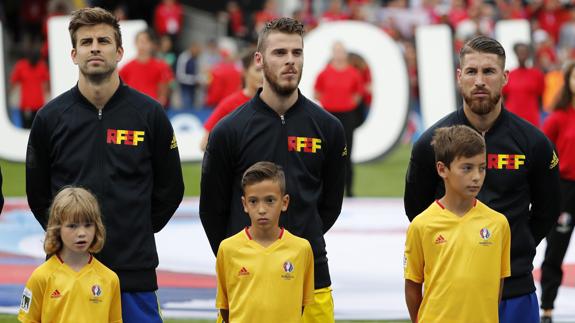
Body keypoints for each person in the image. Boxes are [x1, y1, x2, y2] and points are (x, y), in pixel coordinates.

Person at [25, 7, 184, 323]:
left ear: (120, 51)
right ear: (73, 54)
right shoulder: (50, 118)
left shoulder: (150, 114)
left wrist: (134, 228)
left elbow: (171, 190)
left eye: (103, 41)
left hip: (133, 273)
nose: (94, 47)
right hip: (69, 273)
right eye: (86, 42)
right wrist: (71, 239)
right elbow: (38, 195)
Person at [404, 35, 561, 323]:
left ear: (504, 77)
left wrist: (516, 243)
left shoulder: (534, 143)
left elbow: (548, 209)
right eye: (472, 72)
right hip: (453, 291)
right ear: (459, 76)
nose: (479, 80)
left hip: (515, 288)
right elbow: (417, 211)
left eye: (488, 71)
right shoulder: (430, 143)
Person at [200, 17, 347, 323]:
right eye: (280, 53)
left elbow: (330, 205)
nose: (290, 61)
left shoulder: (329, 128)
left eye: (297, 53)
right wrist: (244, 257)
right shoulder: (229, 130)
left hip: (312, 275)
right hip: (247, 279)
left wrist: (299, 242)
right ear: (259, 59)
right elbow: (212, 210)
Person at [404, 125, 511, 323]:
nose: (477, 177)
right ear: (442, 169)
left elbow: (498, 284)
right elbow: (412, 285)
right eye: (467, 168)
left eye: (482, 168)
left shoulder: (498, 224)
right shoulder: (421, 225)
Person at [216, 161, 314, 322]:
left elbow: (301, 306)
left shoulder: (301, 249)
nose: (261, 209)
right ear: (244, 204)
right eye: (254, 201)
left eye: (269, 200)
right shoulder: (228, 248)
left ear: (284, 202)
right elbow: (225, 308)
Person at [18, 187, 122, 323]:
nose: (81, 233)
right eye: (72, 226)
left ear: (97, 226)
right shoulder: (41, 277)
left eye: (88, 225)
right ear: (57, 227)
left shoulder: (110, 279)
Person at [539, 61, 575, 323]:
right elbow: (543, 154)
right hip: (565, 190)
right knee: (555, 250)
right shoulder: (557, 118)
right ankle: (547, 308)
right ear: (568, 81)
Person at [314, 41, 362, 197]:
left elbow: (358, 94)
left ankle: (349, 190)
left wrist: (348, 103)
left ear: (345, 54)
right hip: (328, 115)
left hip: (347, 116)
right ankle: (327, 190)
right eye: (336, 51)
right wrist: (328, 103)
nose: (338, 54)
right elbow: (317, 92)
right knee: (326, 153)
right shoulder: (324, 73)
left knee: (347, 154)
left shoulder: (353, 73)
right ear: (332, 53)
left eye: (341, 51)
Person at [200, 49, 263, 151]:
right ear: (245, 72)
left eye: (266, 70)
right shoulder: (230, 104)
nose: (263, 75)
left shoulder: (276, 103)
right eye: (258, 70)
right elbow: (204, 144)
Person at [119, 28, 174, 108]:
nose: (142, 45)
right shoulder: (126, 67)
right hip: (132, 109)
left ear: (151, 44)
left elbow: (165, 87)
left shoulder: (161, 66)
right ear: (135, 43)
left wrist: (160, 104)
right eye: (140, 41)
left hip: (152, 109)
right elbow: (120, 89)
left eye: (146, 42)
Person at [502, 42, 545, 127]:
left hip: (531, 119)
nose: (522, 55)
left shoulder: (537, 74)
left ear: (528, 54)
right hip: (512, 118)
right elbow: (505, 98)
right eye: (520, 52)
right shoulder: (509, 75)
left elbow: (540, 98)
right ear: (516, 54)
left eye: (524, 52)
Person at [9, 42, 50, 129]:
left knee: (29, 129)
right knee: (33, 129)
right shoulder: (24, 66)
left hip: (34, 106)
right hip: (29, 106)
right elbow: (46, 86)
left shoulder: (23, 66)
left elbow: (13, 83)